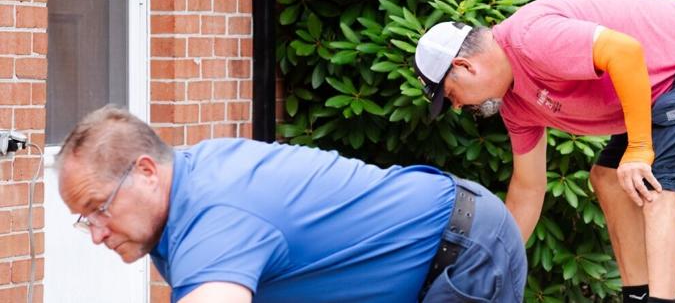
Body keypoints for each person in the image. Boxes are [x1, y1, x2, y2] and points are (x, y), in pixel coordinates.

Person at [414, 0, 675, 303]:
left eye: (452, 96)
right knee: (608, 177)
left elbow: (624, 51)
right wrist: (493, 265)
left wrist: (639, 148)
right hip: (659, 88)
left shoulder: (529, 38)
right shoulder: (517, 104)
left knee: (654, 179)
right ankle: (636, 297)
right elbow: (528, 189)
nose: (458, 107)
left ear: (464, 66)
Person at [56, 106, 526, 303]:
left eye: (99, 208)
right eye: (84, 220)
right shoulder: (187, 185)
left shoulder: (215, 221)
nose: (96, 232)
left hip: (463, 251)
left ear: (145, 171)